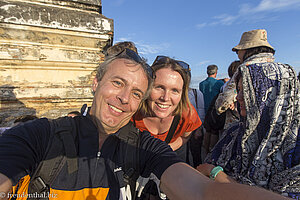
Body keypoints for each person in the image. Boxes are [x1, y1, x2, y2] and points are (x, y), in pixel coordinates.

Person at [0, 48, 291, 200]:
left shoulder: (143, 145)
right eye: (117, 83)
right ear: (95, 82)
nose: (125, 98)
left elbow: (200, 191)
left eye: (136, 92)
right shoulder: (39, 134)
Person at [197, 30, 300, 199]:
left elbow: (221, 104)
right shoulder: (235, 136)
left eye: (247, 91)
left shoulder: (247, 70)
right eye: (238, 90)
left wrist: (217, 174)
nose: (239, 97)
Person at [132, 56, 202, 163]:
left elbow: (185, 136)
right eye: (159, 87)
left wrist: (166, 150)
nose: (165, 98)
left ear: (182, 94)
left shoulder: (187, 113)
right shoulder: (132, 111)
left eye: (174, 90)